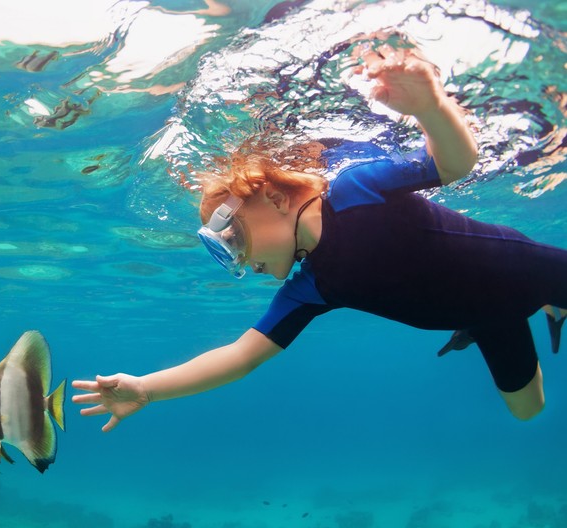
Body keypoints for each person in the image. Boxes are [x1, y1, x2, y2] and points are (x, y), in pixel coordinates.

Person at [72, 43, 567, 430]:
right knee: (528, 411)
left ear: (275, 199)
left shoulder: (355, 188)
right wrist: (148, 388)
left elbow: (454, 164)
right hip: (481, 312)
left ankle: (550, 300)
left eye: (231, 236)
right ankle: (539, 307)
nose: (238, 259)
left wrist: (431, 108)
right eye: (226, 250)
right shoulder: (310, 286)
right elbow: (240, 357)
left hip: (521, 269)